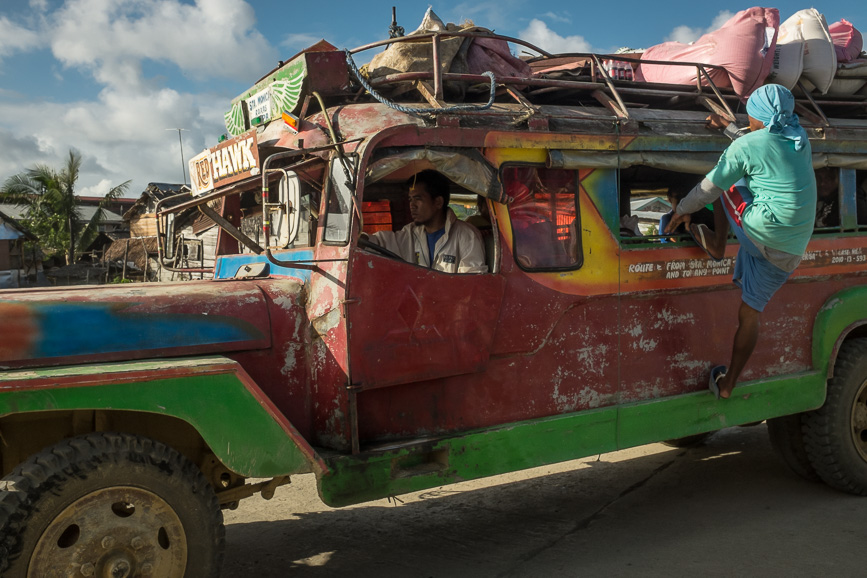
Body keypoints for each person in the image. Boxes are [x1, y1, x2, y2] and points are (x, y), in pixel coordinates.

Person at [666, 84, 817, 399]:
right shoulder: (798, 138)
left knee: (728, 180)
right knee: (750, 314)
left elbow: (710, 187)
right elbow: (760, 143)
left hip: (764, 233)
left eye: (750, 113)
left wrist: (681, 211)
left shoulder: (748, 145)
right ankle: (727, 385)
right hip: (792, 248)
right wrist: (732, 129)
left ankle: (718, 244)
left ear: (759, 115)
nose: (747, 119)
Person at [365, 170, 487, 273]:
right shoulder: (410, 234)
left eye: (418, 199)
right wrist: (360, 239)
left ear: (438, 202)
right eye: (410, 199)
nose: (412, 205)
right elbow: (380, 243)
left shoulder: (466, 235)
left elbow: (472, 285)